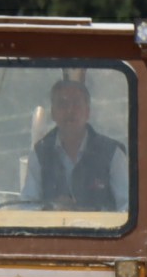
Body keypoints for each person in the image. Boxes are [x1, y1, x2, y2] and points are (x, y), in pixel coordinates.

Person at [23, 77, 130, 212]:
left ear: (88, 112)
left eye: (76, 103)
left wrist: (88, 214)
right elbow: (26, 206)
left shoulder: (113, 154)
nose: (70, 111)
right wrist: (50, 209)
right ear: (53, 113)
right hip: (52, 232)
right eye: (62, 104)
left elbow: (128, 206)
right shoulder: (40, 154)